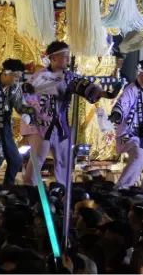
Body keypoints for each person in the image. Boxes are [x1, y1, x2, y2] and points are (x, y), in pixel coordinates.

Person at [22, 41, 102, 187]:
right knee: (38, 157)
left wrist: (98, 91)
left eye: (68, 56)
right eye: (64, 56)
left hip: (60, 125)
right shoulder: (40, 76)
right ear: (53, 58)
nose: (67, 59)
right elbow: (27, 97)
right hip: (41, 126)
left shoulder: (69, 76)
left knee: (65, 159)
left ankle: (63, 191)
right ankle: (28, 190)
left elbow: (83, 85)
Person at [110, 61, 143, 189]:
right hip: (127, 135)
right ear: (136, 75)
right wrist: (116, 115)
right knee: (139, 154)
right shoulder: (131, 90)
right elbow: (121, 105)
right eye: (141, 75)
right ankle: (122, 188)